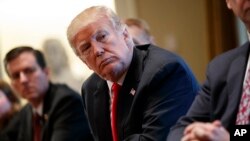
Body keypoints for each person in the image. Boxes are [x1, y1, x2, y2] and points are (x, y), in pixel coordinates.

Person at [67, 5, 200, 141]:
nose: (97, 50)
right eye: (86, 47)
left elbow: (154, 139)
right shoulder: (90, 87)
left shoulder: (165, 71)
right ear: (85, 62)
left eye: (102, 37)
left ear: (125, 35)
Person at [167, 0, 250, 141]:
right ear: (229, 2)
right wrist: (194, 137)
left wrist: (230, 138)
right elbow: (181, 129)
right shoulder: (221, 67)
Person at [0, 46, 93, 141]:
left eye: (29, 71)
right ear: (12, 85)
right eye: (16, 76)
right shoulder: (28, 110)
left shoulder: (66, 102)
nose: (23, 80)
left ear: (46, 73)